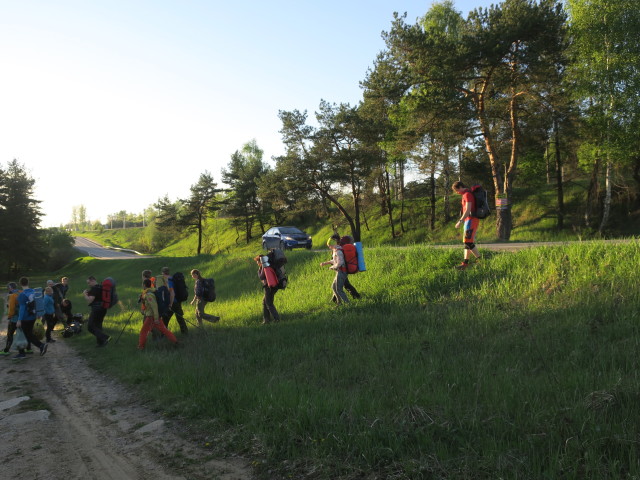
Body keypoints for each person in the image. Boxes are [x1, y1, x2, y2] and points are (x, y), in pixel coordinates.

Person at [138, 278, 179, 350]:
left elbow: (154, 307)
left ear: (144, 285)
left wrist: (156, 318)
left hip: (151, 317)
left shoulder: (149, 295)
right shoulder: (151, 292)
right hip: (154, 316)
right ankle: (176, 342)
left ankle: (141, 347)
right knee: (164, 330)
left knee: (143, 332)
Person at [14, 277, 48, 360]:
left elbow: (22, 308)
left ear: (20, 284)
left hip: (25, 318)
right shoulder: (34, 292)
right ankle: (28, 349)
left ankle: (39, 346)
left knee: (23, 334)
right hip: (33, 317)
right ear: (28, 283)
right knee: (28, 334)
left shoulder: (22, 295)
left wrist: (19, 320)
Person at [453, 180, 481, 270]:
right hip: (468, 220)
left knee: (468, 242)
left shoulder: (467, 194)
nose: (457, 192)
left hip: (471, 220)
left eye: (457, 190)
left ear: (461, 187)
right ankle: (465, 263)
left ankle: (481, 260)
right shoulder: (466, 194)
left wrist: (460, 221)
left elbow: (468, 210)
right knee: (467, 242)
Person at [83, 275, 110, 347]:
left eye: (89, 283)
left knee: (90, 326)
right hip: (103, 308)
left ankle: (105, 337)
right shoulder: (101, 287)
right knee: (98, 326)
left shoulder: (94, 288)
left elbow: (90, 300)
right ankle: (101, 343)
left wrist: (85, 294)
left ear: (93, 280)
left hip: (96, 309)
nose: (88, 284)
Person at [160, 267, 188, 334]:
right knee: (180, 318)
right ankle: (185, 333)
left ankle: (163, 335)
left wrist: (170, 304)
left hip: (172, 302)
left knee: (165, 319)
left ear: (162, 273)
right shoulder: (173, 278)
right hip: (178, 301)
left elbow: (172, 293)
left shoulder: (167, 280)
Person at [320, 241, 349, 305]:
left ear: (333, 244)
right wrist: (325, 263)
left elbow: (340, 262)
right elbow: (334, 260)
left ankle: (348, 304)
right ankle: (339, 303)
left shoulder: (338, 251)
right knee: (333, 287)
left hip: (342, 272)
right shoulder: (335, 251)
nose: (329, 247)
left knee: (339, 289)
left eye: (329, 245)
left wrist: (333, 267)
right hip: (339, 272)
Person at [254, 255, 280, 324]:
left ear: (261, 261)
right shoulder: (268, 266)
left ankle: (276, 319)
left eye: (258, 262)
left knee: (268, 303)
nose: (257, 263)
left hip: (269, 287)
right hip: (273, 286)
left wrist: (262, 268)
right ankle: (266, 319)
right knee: (265, 302)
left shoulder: (265, 268)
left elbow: (261, 276)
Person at [1, 282, 20, 356]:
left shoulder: (12, 295)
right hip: (22, 318)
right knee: (24, 333)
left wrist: (9, 316)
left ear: (11, 288)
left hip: (14, 318)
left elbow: (11, 308)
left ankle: (6, 350)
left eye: (8, 288)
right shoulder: (20, 292)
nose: (8, 289)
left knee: (10, 334)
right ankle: (28, 348)